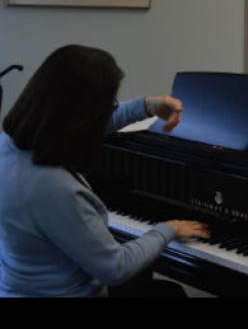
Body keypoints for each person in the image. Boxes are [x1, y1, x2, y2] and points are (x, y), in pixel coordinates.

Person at [0, 45, 211, 297]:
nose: (109, 111)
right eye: (108, 105)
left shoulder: (10, 144)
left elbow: (85, 124)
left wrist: (146, 106)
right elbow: (115, 267)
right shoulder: (55, 188)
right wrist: (167, 230)